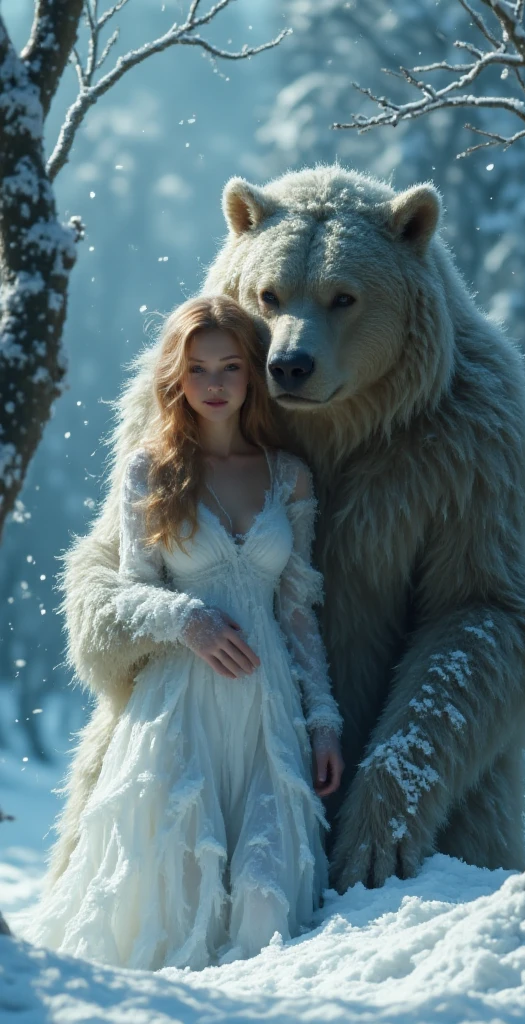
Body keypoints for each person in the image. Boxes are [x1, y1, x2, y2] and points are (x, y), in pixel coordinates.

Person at [20, 295, 344, 970]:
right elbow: (130, 586)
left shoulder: (289, 477)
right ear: (177, 376)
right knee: (179, 907)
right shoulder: (150, 469)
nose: (216, 384)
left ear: (252, 372)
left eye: (230, 366)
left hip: (266, 710)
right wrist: (184, 618)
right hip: (177, 708)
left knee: (264, 907)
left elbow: (298, 611)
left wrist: (324, 723)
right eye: (199, 369)